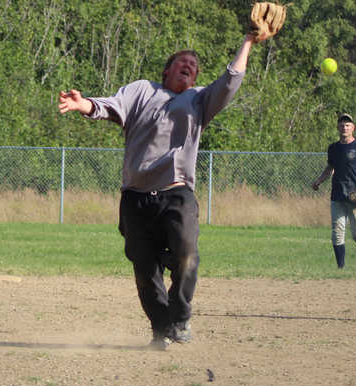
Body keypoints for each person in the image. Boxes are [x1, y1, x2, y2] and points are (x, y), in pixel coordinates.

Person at [57, 32, 270, 349]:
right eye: (183, 61)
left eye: (194, 65)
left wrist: (248, 43)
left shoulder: (198, 100)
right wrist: (83, 104)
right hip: (136, 197)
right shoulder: (143, 90)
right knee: (145, 269)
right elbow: (112, 106)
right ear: (167, 70)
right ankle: (161, 328)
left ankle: (180, 317)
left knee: (186, 252)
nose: (189, 65)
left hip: (176, 193)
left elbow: (230, 81)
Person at [311, 113, 356, 269]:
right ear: (338, 128)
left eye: (347, 125)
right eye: (342, 125)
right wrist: (319, 181)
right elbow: (330, 167)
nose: (344, 127)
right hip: (337, 195)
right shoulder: (333, 148)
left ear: (353, 128)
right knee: (337, 231)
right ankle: (340, 268)